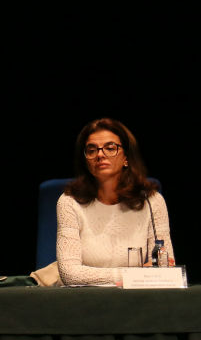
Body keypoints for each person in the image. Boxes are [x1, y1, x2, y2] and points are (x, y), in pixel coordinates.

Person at [56, 118, 174, 286]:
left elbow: (165, 266)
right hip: (83, 299)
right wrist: (135, 274)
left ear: (126, 157)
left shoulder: (152, 201)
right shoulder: (69, 202)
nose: (100, 154)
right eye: (91, 150)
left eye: (110, 148)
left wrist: (136, 278)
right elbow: (70, 274)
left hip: (137, 299)